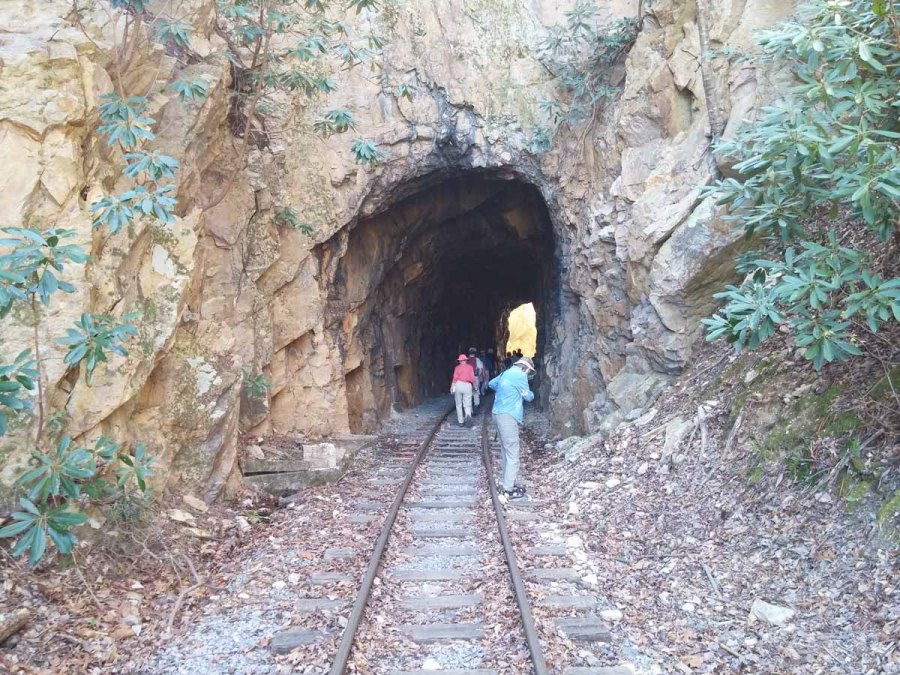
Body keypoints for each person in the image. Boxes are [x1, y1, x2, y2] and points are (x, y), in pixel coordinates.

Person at [488, 356, 535, 500]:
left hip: (497, 413)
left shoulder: (506, 373)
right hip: (508, 415)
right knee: (513, 452)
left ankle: (507, 482)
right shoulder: (521, 375)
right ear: (525, 368)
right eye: (529, 371)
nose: (529, 374)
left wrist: (506, 389)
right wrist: (530, 392)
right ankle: (508, 489)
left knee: (505, 449)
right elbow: (528, 397)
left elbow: (491, 384)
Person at [450, 354, 476, 426]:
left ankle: (460, 421)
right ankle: (468, 416)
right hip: (467, 385)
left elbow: (454, 378)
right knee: (467, 403)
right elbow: (473, 378)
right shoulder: (470, 367)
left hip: (458, 385)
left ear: (460, 361)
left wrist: (452, 387)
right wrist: (475, 387)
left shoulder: (457, 368)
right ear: (466, 360)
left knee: (458, 404)